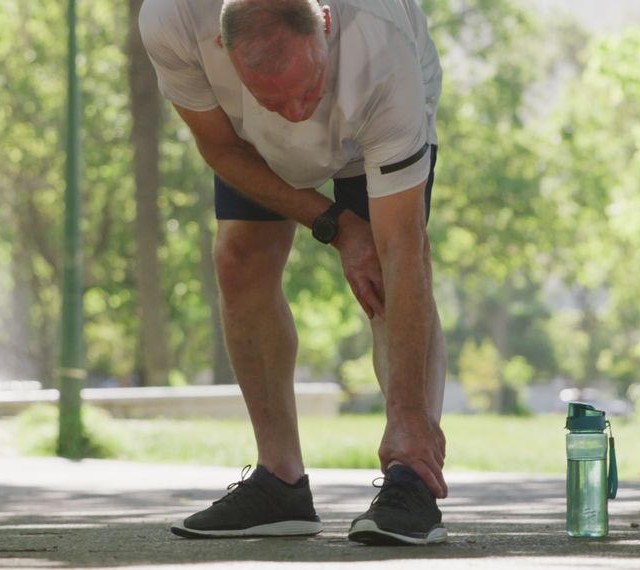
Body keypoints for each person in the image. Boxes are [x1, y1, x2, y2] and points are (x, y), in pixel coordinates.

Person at [139, 0, 447, 545]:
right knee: (238, 259)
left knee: (385, 272)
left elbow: (403, 248)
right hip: (247, 139)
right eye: (274, 98)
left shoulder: (380, 49)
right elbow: (218, 146)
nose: (296, 112)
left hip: (366, 123)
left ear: (324, 23)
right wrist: (334, 224)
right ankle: (279, 482)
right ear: (221, 46)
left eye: (307, 91)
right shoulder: (174, 19)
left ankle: (411, 473)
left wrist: (409, 413)